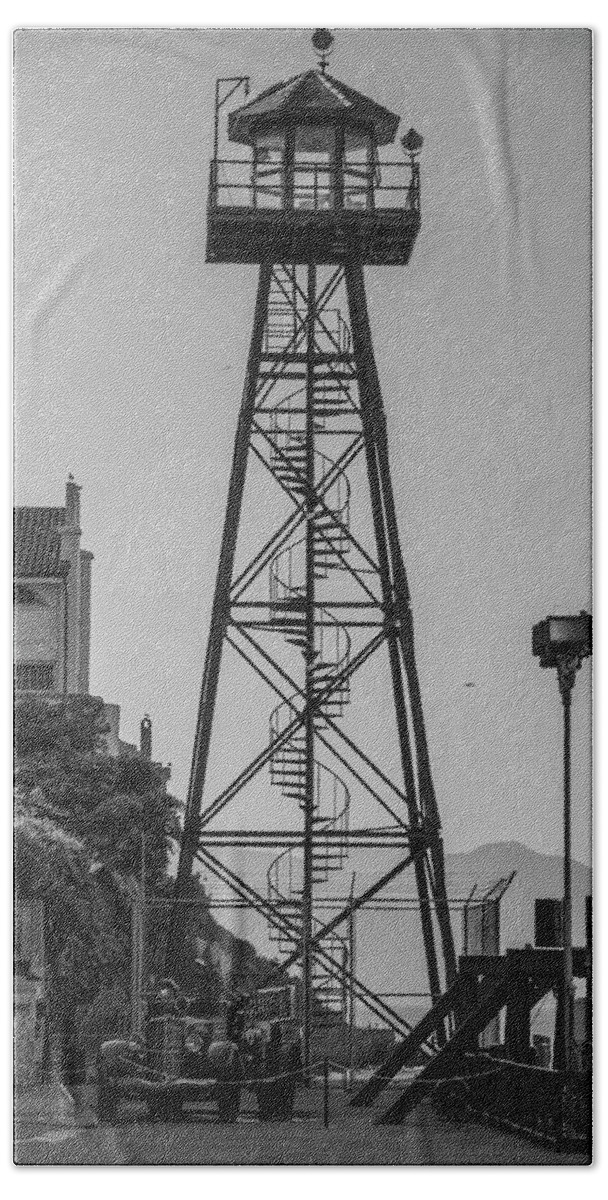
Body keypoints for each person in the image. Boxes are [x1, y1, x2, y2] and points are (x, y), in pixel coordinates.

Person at [207, 1037, 244, 1124]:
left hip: (228, 1074)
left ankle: (227, 1115)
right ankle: (230, 1115)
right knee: (231, 1093)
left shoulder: (219, 1047)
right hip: (231, 1075)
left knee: (227, 1093)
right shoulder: (232, 1048)